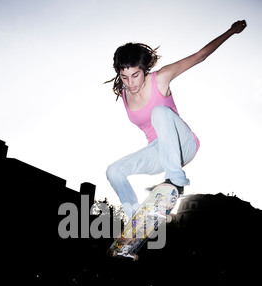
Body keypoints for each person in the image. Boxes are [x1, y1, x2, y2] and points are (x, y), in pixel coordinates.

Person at [106, 20, 247, 218]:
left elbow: (200, 56)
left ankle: (176, 182)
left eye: (135, 75)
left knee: (159, 112)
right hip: (160, 153)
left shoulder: (160, 78)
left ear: (144, 69)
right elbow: (126, 87)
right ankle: (136, 218)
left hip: (183, 144)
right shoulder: (124, 93)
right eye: (125, 77)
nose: (130, 83)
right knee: (114, 171)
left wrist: (231, 31)